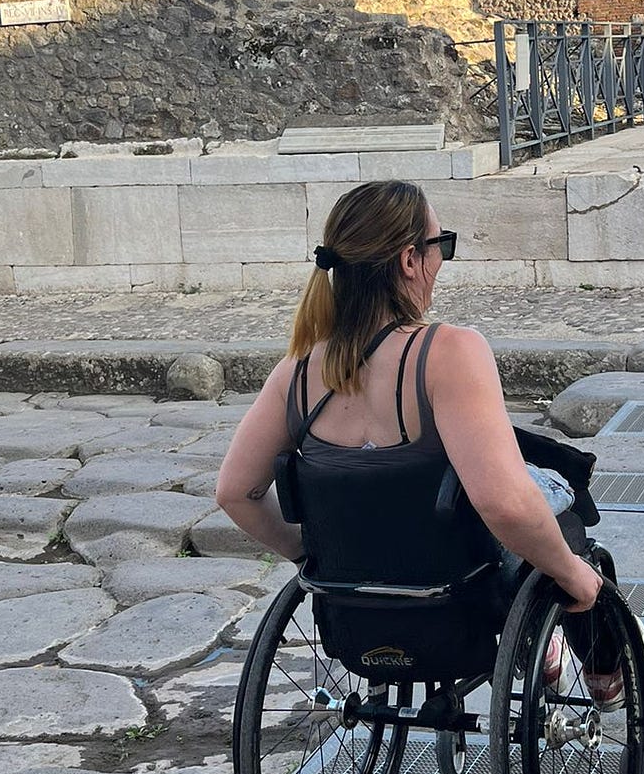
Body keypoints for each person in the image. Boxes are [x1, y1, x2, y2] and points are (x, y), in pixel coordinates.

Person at [214, 179, 605, 628]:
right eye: (441, 245)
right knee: (564, 508)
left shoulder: (297, 370)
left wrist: (315, 557)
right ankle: (606, 674)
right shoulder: (450, 353)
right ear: (409, 259)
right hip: (461, 594)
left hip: (353, 605)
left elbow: (234, 493)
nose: (441, 259)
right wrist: (572, 573)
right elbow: (505, 504)